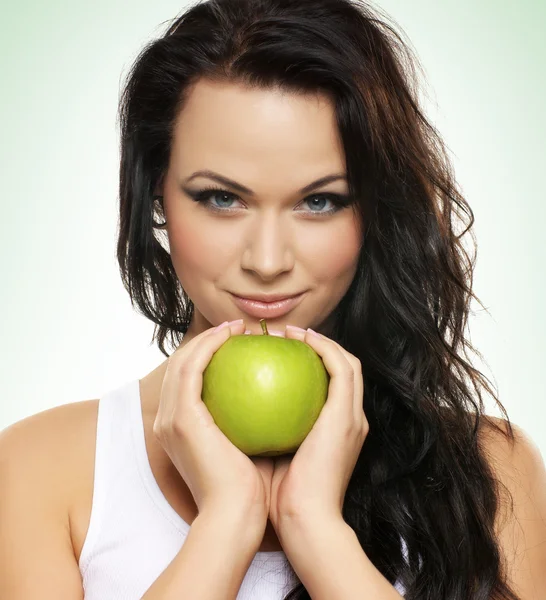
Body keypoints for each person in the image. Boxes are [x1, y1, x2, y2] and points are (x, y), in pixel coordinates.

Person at [1, 0, 545, 598]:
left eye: (320, 201)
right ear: (156, 193)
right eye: (220, 198)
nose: (266, 261)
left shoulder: (492, 472)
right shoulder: (41, 471)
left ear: (375, 212)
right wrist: (227, 523)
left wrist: (315, 530)